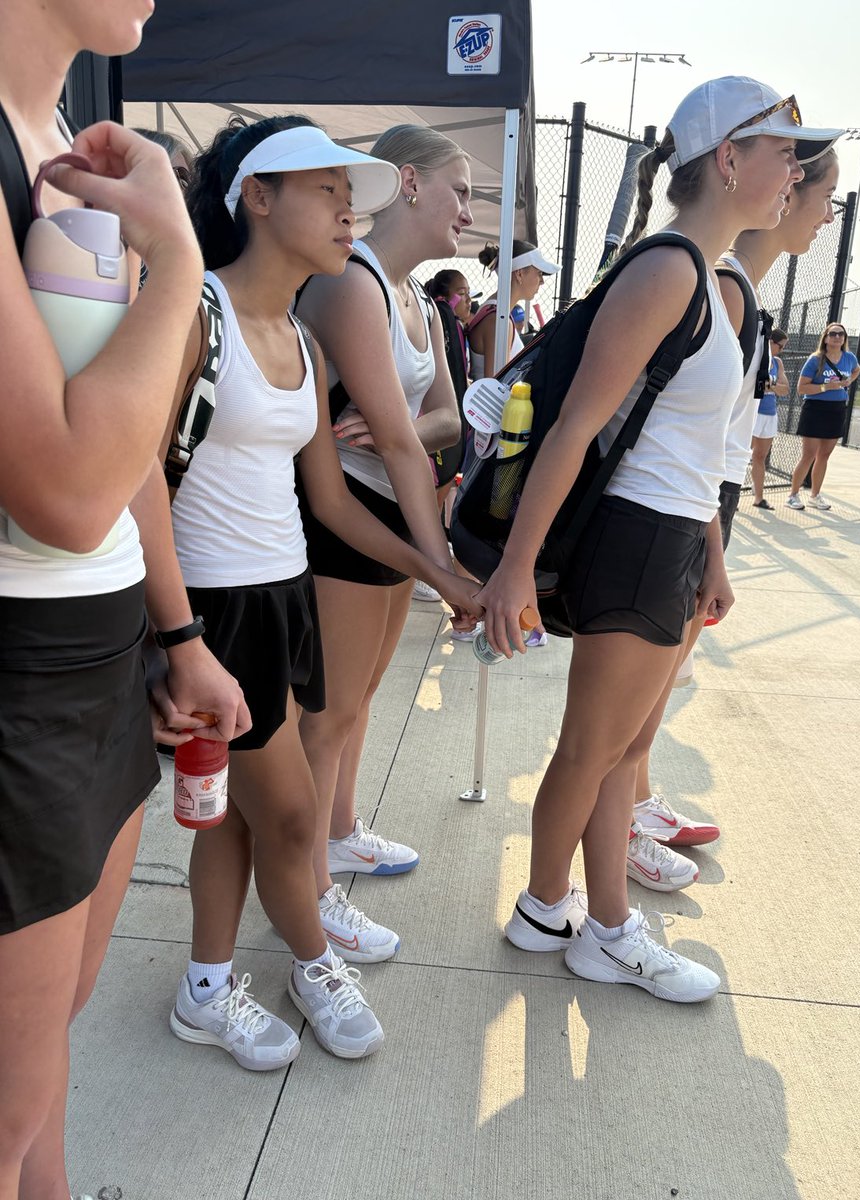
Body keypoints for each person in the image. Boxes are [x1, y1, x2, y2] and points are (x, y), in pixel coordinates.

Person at [478, 77, 818, 1004]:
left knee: (616, 750)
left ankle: (572, 916)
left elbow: (694, 447)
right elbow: (576, 427)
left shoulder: (705, 275)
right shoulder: (668, 270)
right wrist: (514, 569)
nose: (795, 173)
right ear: (728, 159)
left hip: (667, 539)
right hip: (634, 539)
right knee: (594, 749)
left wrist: (711, 558)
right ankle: (579, 919)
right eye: (785, 153)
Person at [162, 116, 480, 1070]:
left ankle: (205, 986)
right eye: (326, 191)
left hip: (286, 597)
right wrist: (178, 638)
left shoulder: (302, 339)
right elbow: (139, 477)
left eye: (353, 196)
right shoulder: (194, 311)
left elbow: (331, 502)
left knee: (236, 816)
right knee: (294, 817)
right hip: (214, 615)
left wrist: (438, 572)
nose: (349, 212)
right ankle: (311, 961)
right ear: (257, 198)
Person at [0, 2, 247, 1198]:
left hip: (100, 652)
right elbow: (64, 487)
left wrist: (179, 632)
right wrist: (179, 263)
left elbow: (130, 433)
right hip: (19, 666)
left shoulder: (64, 142)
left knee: (46, 1053)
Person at [628, 144, 841, 851]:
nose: (827, 215)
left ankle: (636, 801)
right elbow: (691, 437)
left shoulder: (736, 285)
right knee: (644, 686)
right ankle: (625, 817)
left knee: (661, 679)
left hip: (698, 503)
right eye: (822, 195)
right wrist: (712, 544)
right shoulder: (725, 286)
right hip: (680, 504)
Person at [293, 124, 473, 955]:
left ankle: (339, 831)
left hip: (392, 509)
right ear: (408, 182)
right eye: (458, 190)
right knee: (327, 715)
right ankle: (310, 889)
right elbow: (402, 441)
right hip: (339, 520)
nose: (467, 209)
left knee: (361, 699)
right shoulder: (354, 282)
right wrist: (446, 570)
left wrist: (406, 425)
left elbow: (445, 420)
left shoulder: (418, 301)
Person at [413, 269, 473, 603]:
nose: (468, 299)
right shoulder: (439, 314)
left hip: (451, 418)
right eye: (462, 292)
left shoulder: (452, 323)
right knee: (431, 491)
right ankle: (422, 565)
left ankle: (427, 557)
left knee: (441, 487)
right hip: (430, 421)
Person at [786, 322, 859, 510]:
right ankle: (793, 495)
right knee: (808, 455)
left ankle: (815, 495)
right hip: (815, 409)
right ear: (825, 338)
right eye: (833, 334)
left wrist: (849, 380)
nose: (837, 337)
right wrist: (827, 387)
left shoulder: (849, 358)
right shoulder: (816, 359)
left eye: (841, 334)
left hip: (837, 409)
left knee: (824, 455)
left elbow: (856, 370)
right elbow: (802, 388)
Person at [467, 239, 560, 380]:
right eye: (539, 273)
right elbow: (496, 384)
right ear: (519, 274)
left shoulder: (495, 312)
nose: (542, 281)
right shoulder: (497, 319)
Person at [751, 328, 789, 508]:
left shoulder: (777, 362)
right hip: (753, 413)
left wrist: (770, 385)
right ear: (771, 342)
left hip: (769, 413)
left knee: (760, 456)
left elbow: (785, 389)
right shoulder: (756, 356)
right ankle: (729, 496)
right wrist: (773, 386)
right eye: (780, 347)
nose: (781, 350)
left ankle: (758, 498)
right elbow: (754, 385)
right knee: (742, 455)